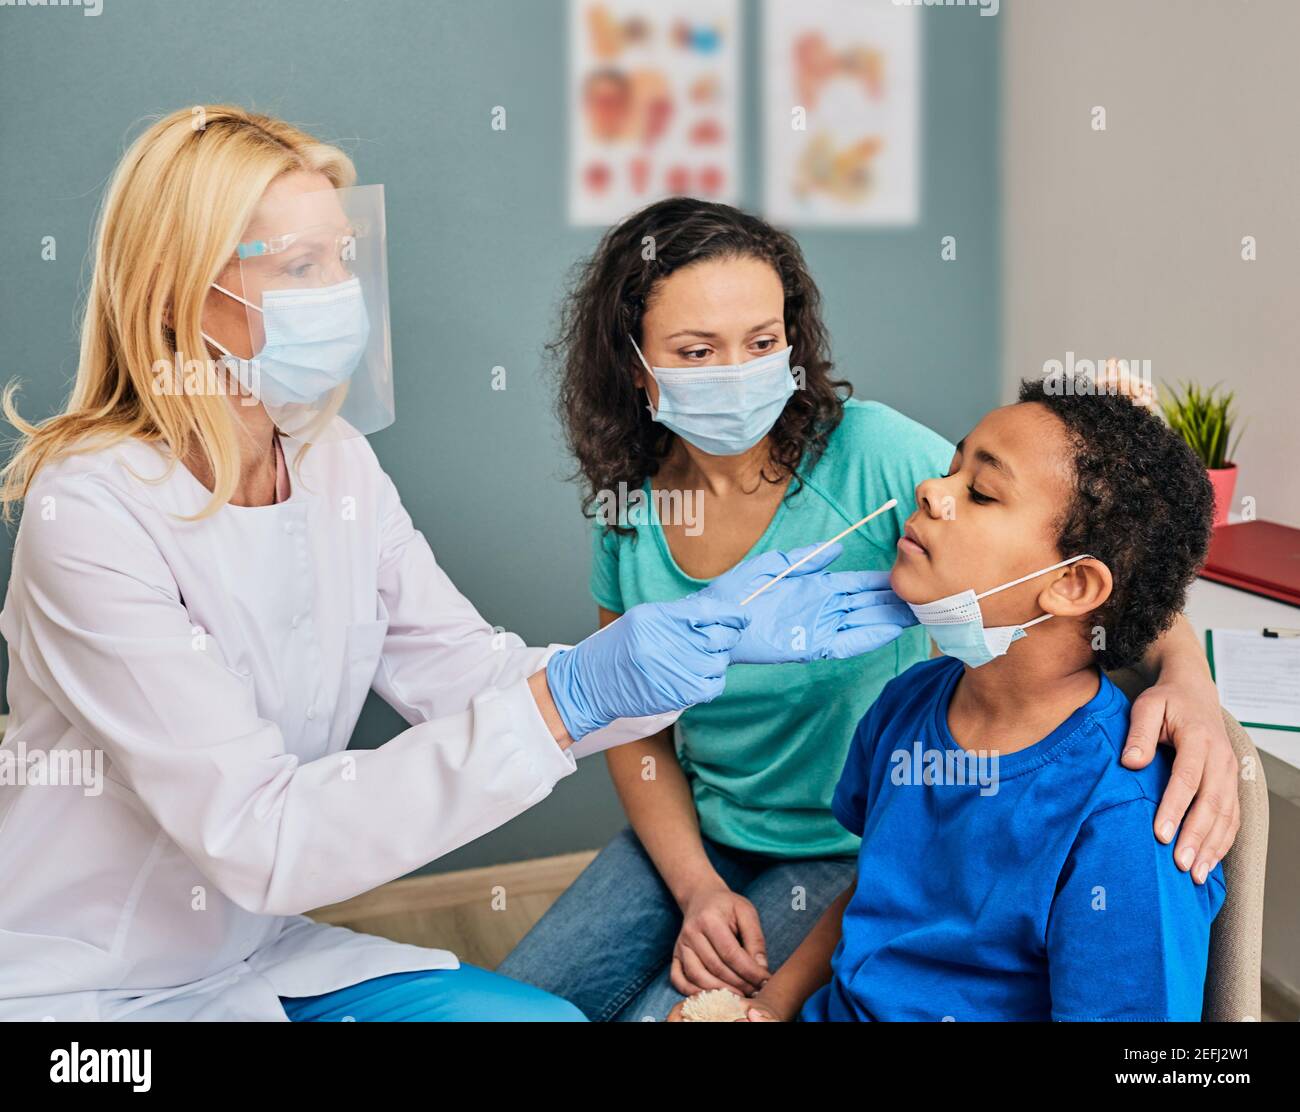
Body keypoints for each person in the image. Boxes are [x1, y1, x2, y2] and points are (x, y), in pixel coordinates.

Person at [0, 107, 905, 1022]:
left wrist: (680, 651)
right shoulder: (92, 513)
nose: (342, 292)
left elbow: (463, 673)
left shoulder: (329, 461)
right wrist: (577, 696)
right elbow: (260, 836)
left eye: (344, 257)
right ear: (176, 292)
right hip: (89, 985)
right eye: (302, 267)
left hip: (259, 955)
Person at [499, 199, 1240, 1022]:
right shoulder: (907, 708)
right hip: (715, 832)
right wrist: (704, 897)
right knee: (513, 1005)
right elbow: (630, 726)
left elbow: (1110, 565)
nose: (934, 490)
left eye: (763, 340)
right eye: (697, 351)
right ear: (637, 365)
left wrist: (1191, 682)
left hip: (829, 847)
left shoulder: (877, 458)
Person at [671, 381, 1226, 1022]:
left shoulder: (1124, 824)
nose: (931, 491)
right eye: (949, 469)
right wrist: (766, 1008)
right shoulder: (907, 705)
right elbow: (868, 898)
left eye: (981, 492)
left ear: (1072, 583)